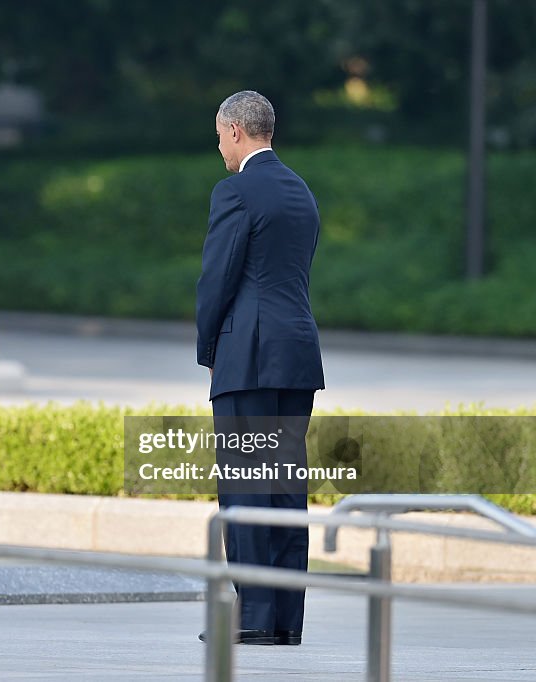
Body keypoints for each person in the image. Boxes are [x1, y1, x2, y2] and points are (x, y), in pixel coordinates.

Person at [195, 90, 325, 646]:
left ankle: (250, 618)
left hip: (247, 358)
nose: (219, 144)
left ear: (237, 130)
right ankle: (284, 622)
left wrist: (208, 351)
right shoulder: (301, 191)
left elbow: (217, 281)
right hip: (296, 358)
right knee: (285, 492)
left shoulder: (236, 191)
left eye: (220, 134)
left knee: (245, 490)